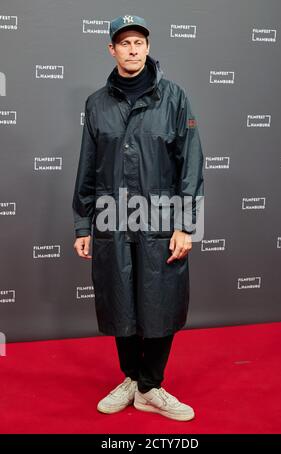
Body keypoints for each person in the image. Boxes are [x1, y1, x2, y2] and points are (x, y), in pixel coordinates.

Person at [72, 15, 204, 421]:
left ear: (147, 48)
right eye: (124, 42)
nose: (132, 49)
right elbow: (88, 166)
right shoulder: (97, 104)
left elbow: (191, 164)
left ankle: (151, 385)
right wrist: (83, 223)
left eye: (138, 42)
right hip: (112, 219)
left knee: (159, 302)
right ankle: (131, 378)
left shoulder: (174, 98)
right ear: (111, 49)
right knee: (121, 302)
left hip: (161, 220)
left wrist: (186, 224)